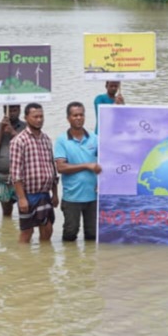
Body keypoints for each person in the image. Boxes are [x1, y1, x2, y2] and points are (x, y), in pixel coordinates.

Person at [11, 103, 59, 244]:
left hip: (45, 193)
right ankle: (22, 263)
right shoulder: (19, 141)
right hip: (28, 194)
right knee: (27, 232)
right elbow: (15, 173)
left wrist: (55, 194)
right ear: (26, 118)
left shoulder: (46, 140)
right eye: (35, 117)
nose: (39, 119)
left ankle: (43, 261)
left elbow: (52, 167)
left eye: (41, 116)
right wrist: (21, 198)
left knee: (48, 228)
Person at [55, 102, 100, 242]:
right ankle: (70, 264)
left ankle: (89, 264)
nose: (78, 118)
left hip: (93, 196)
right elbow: (61, 168)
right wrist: (87, 165)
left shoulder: (95, 139)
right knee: (70, 235)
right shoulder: (62, 140)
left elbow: (106, 163)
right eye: (75, 115)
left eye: (81, 115)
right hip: (72, 198)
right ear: (68, 118)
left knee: (92, 236)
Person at [0, 104, 27, 217]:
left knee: (24, 212)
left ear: (20, 110)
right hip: (3, 176)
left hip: (22, 177)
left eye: (15, 110)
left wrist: (12, 132)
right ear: (4, 111)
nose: (12, 113)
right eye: (9, 111)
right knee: (6, 214)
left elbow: (28, 146)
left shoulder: (26, 127)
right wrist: (2, 129)